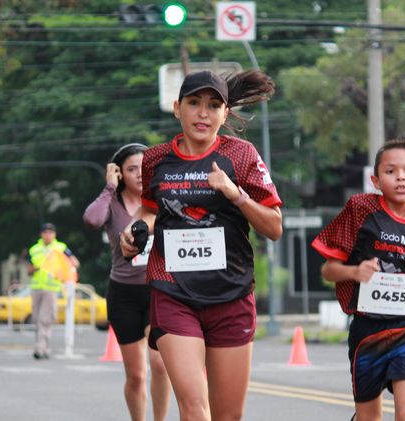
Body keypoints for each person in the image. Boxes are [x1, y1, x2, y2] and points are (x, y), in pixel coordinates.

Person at [120, 69, 283, 421]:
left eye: (213, 105)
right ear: (177, 108)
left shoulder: (241, 155)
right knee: (194, 408)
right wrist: (134, 229)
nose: (203, 113)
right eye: (194, 103)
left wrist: (236, 195)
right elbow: (150, 209)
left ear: (225, 113)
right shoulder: (156, 159)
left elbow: (274, 227)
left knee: (227, 416)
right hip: (173, 293)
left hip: (231, 295)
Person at [311, 140, 405, 421]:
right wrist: (354, 272)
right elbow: (328, 270)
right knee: (369, 417)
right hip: (367, 331)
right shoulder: (361, 210)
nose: (400, 178)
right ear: (376, 180)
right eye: (391, 171)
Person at [83, 143, 171, 421]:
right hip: (124, 295)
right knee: (136, 375)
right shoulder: (112, 203)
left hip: (159, 291)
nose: (140, 174)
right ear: (120, 173)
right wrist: (109, 186)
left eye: (143, 167)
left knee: (160, 364)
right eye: (132, 169)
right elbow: (91, 219)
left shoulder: (161, 198)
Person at [27, 222, 79, 359]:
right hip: (36, 287)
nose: (48, 235)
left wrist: (62, 271)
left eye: (50, 232)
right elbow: (29, 269)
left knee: (45, 318)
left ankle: (40, 348)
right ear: (41, 234)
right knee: (36, 319)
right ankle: (44, 347)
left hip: (51, 288)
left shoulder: (61, 248)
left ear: (54, 234)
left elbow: (74, 262)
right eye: (45, 232)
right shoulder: (34, 249)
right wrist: (36, 268)